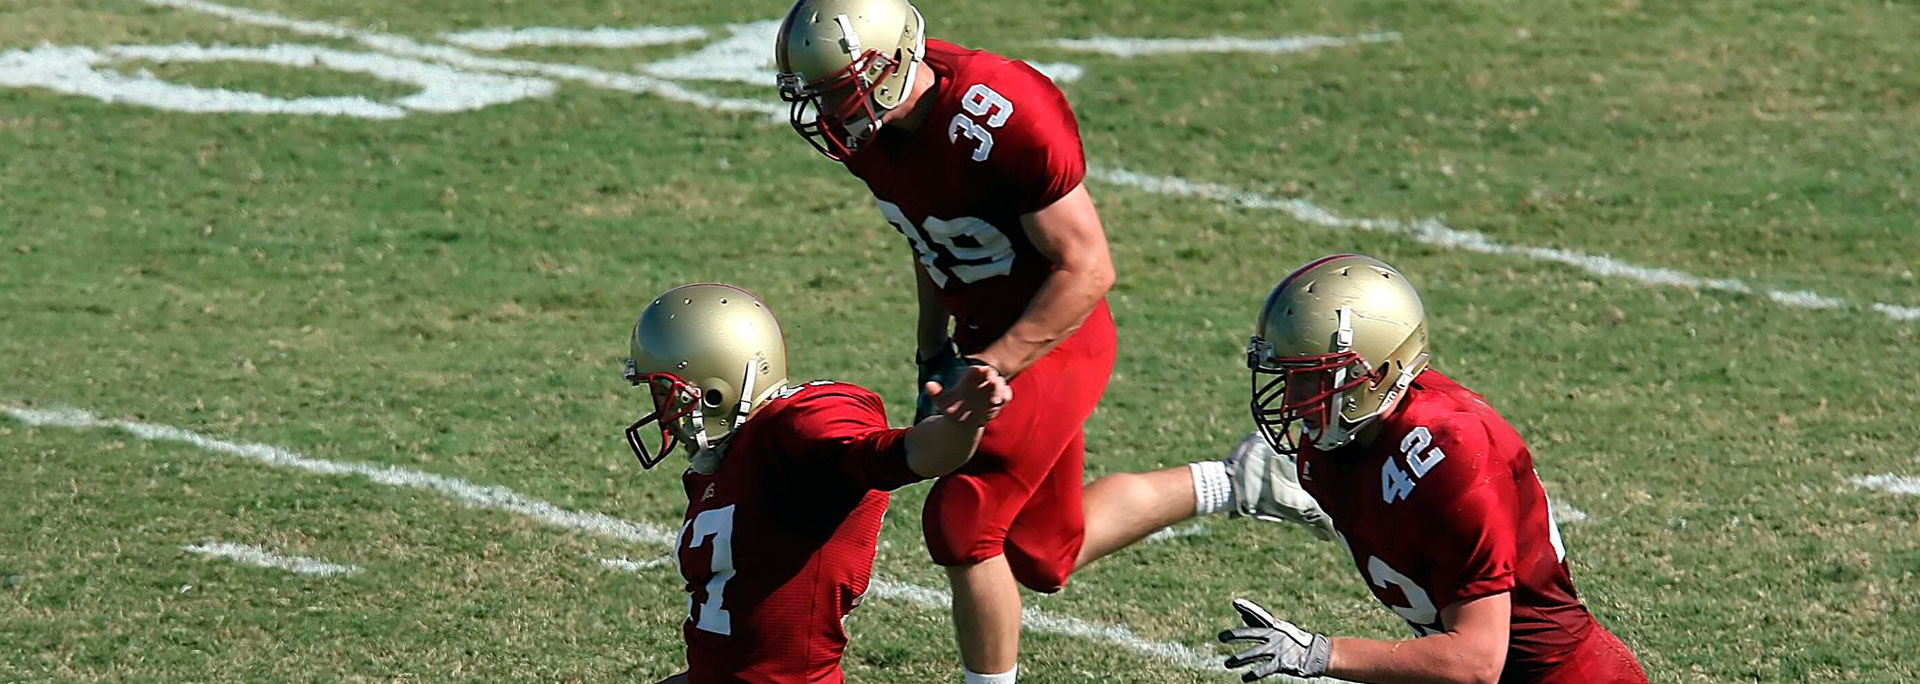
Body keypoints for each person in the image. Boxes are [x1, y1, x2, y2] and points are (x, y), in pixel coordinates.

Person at [772, 2, 1333, 681]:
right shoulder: (874, 131)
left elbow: (1089, 267)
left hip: (1055, 334)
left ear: (890, 66)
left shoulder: (1000, 110)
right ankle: (1245, 479)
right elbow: (929, 238)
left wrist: (991, 364)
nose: (828, 111)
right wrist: (932, 349)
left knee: (962, 524)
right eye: (816, 94)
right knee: (1044, 553)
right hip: (984, 335)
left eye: (838, 90)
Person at [1219, 255, 1648, 684]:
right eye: (1290, 375)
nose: (1294, 400)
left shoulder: (1454, 452)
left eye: (1313, 378)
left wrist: (1321, 654)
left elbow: (1476, 660)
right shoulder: (1334, 442)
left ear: (1377, 373)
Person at [620, 283, 1012, 684]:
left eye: (667, 393)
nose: (662, 413)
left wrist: (961, 424)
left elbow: (902, 454)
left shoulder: (799, 427)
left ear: (715, 390)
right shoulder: (722, 464)